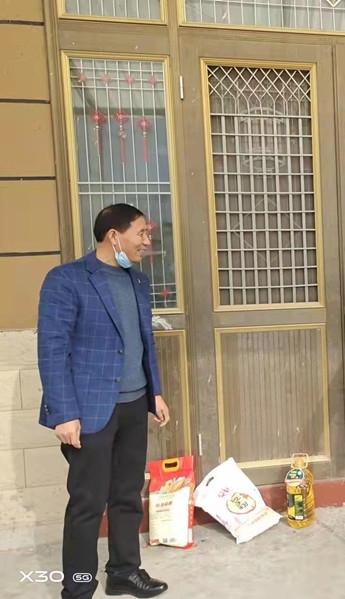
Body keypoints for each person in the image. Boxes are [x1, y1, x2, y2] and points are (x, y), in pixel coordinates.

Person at [38, 203, 170, 599]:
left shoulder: (138, 281)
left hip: (133, 404)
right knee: (88, 503)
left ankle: (124, 573)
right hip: (89, 410)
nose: (147, 241)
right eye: (141, 233)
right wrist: (64, 414)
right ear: (114, 235)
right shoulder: (67, 279)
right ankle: (78, 588)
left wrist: (155, 392)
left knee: (127, 496)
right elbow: (52, 349)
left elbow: (143, 342)